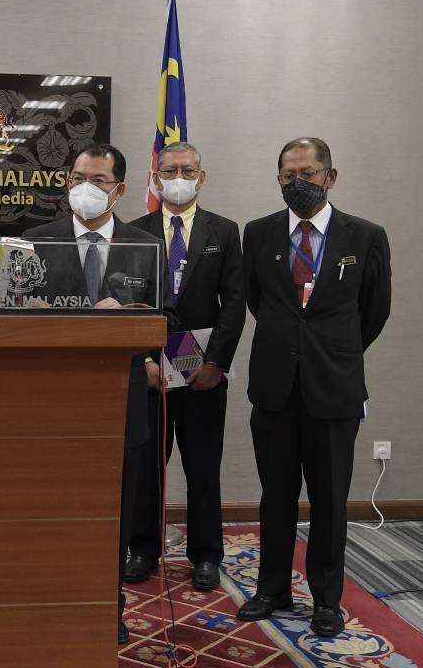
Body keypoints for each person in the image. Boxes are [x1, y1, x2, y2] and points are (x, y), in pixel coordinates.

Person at [237, 137, 391, 637]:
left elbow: (374, 311)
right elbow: (259, 302)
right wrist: (292, 344)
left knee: (329, 498)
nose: (297, 183)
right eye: (288, 176)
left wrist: (329, 350)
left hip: (335, 388)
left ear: (331, 176)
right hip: (275, 388)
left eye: (307, 173)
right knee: (274, 495)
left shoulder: (365, 236)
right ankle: (272, 588)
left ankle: (326, 598)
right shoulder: (257, 234)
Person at [22, 143, 171, 645]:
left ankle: (110, 603)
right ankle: (50, 597)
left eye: (99, 181)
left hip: (120, 397)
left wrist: (130, 325)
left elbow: (161, 323)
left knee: (115, 508)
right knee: (51, 507)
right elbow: (14, 321)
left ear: (121, 189)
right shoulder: (35, 241)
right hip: (50, 400)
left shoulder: (144, 245)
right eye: (77, 178)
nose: (84, 188)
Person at [126, 142, 245, 591]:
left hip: (203, 373)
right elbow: (129, 305)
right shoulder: (134, 232)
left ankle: (206, 555)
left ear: (202, 176)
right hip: (152, 370)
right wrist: (143, 362)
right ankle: (142, 549)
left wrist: (215, 363)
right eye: (169, 170)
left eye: (187, 170)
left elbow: (235, 305)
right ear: (155, 179)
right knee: (146, 465)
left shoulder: (225, 232)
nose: (178, 177)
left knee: (202, 466)